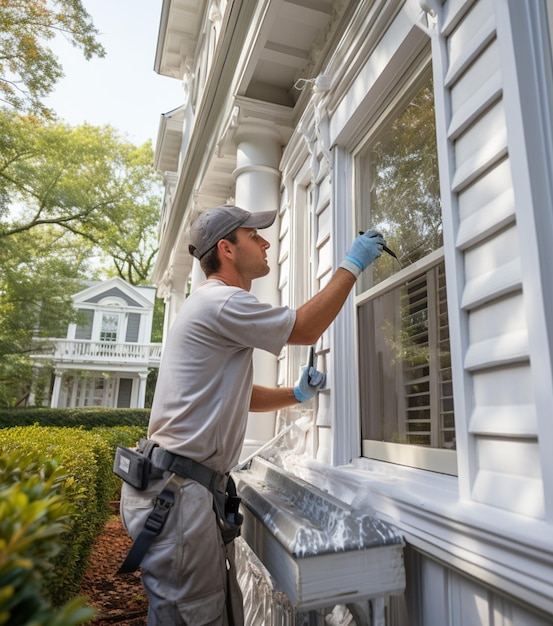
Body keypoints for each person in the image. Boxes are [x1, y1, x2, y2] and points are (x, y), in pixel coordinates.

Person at [119, 204, 385, 625]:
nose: (265, 243)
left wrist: (296, 395)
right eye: (254, 236)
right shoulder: (220, 302)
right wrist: (352, 265)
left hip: (178, 488)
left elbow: (240, 396)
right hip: (179, 495)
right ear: (226, 248)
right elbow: (305, 329)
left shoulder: (211, 306)